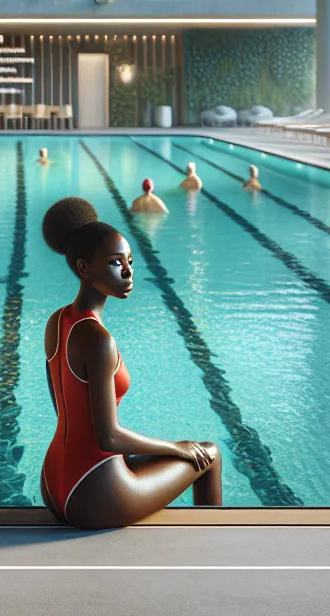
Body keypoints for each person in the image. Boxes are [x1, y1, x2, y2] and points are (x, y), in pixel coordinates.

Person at [39, 197, 222, 528]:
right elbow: (107, 437)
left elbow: (66, 414)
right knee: (207, 454)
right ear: (84, 268)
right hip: (93, 492)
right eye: (114, 263)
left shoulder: (57, 321)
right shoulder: (97, 340)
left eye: (130, 261)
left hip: (54, 483)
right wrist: (176, 447)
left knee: (162, 455)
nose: (128, 272)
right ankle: (212, 549)